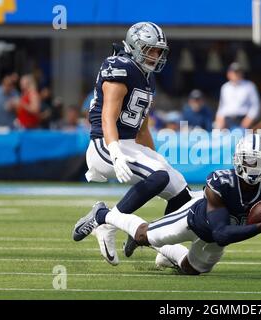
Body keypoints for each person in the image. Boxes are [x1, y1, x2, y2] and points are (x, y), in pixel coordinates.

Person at [72, 134, 261, 275]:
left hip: (219, 234)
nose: (254, 168)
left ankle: (166, 254)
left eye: (260, 163)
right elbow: (221, 233)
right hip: (195, 218)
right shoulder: (222, 183)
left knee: (191, 270)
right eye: (249, 161)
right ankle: (103, 214)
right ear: (238, 161)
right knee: (145, 235)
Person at [74, 22, 193, 266]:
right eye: (151, 50)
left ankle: (158, 244)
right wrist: (115, 151)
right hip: (105, 144)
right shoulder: (119, 66)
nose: (156, 56)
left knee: (180, 189)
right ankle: (105, 218)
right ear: (136, 46)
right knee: (160, 176)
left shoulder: (146, 77)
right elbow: (108, 115)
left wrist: (156, 159)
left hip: (130, 145)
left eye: (159, 51)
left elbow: (143, 128)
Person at [215, 62, 260, 130]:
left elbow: (255, 105)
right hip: (228, 121)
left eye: (238, 72)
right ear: (229, 74)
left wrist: (249, 119)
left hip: (243, 119)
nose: (236, 74)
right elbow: (222, 106)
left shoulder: (249, 86)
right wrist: (219, 119)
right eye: (234, 72)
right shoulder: (225, 87)